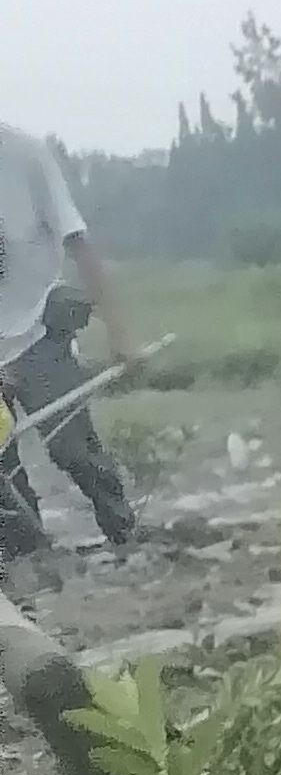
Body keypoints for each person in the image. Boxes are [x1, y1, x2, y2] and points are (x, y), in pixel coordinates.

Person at [0, 118, 139, 565]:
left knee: (73, 450)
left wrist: (119, 332)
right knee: (3, 475)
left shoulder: (24, 156)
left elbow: (78, 242)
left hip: (36, 331)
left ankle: (125, 539)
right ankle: (32, 567)